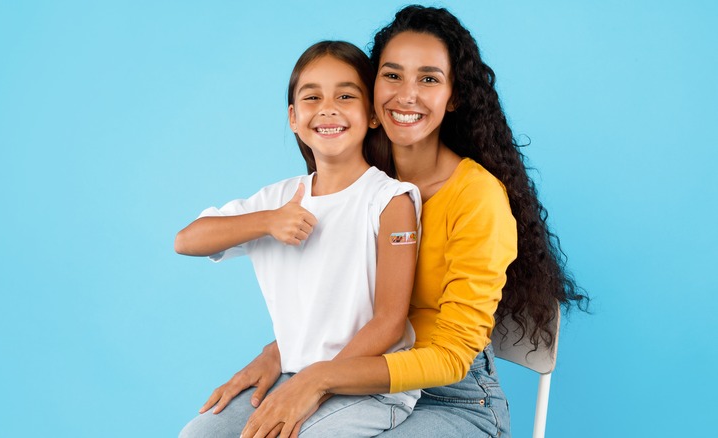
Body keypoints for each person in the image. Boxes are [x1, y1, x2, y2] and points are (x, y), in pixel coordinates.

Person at [212, 5, 589, 438]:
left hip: (453, 397)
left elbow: (450, 357)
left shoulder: (478, 198)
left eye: (428, 79)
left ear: (455, 96)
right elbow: (337, 304)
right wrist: (277, 355)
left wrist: (318, 378)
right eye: (392, 76)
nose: (406, 95)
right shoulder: (365, 180)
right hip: (351, 375)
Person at [175, 40, 423, 437]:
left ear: (372, 115)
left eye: (346, 95)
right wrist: (268, 222)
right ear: (293, 117)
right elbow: (187, 240)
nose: (328, 108)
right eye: (312, 97)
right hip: (292, 374)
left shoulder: (389, 200)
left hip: (370, 387)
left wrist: (315, 384)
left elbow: (390, 323)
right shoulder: (277, 200)